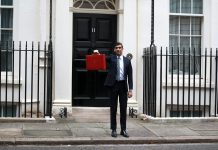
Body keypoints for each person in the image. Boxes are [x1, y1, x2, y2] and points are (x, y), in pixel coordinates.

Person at [104, 42, 133, 138]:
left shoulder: (127, 61)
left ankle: (123, 130)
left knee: (123, 108)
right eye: (116, 48)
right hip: (113, 85)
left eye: (120, 48)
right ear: (114, 50)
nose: (118, 49)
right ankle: (113, 129)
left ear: (122, 49)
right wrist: (96, 53)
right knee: (113, 108)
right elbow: (102, 58)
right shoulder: (111, 58)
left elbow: (130, 76)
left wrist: (130, 89)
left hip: (123, 86)